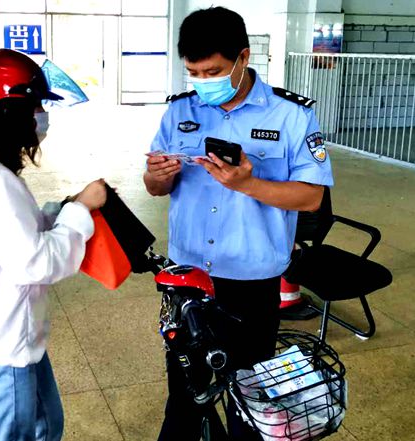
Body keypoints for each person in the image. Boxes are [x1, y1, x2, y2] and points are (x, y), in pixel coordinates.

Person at [144, 7, 333, 440]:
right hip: (187, 279)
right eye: (192, 71)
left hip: (251, 282)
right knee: (186, 394)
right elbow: (155, 187)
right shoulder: (179, 111)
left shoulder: (291, 115)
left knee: (250, 402)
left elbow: (312, 196)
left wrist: (248, 184)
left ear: (243, 57)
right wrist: (157, 178)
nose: (201, 80)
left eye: (212, 70)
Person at [0, 48, 106, 441]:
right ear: (8, 111)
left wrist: (62, 210)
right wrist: (79, 212)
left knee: (47, 425)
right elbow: (35, 262)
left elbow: (13, 232)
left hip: (6, 333)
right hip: (1, 344)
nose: (40, 117)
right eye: (34, 107)